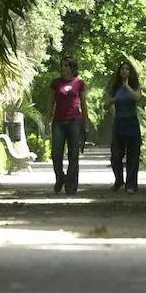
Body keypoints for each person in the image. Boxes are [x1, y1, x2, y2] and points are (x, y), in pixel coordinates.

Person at [46, 55, 90, 195]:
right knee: (56, 153)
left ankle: (71, 185)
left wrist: (86, 122)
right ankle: (60, 178)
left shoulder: (79, 83)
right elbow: (50, 103)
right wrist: (47, 121)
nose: (63, 68)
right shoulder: (56, 83)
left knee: (73, 155)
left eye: (66, 66)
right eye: (62, 65)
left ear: (72, 68)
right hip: (58, 122)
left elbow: (83, 103)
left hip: (74, 122)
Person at [106, 60, 142, 193]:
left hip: (132, 122)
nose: (124, 71)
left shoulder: (135, 85)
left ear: (130, 72)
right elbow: (105, 104)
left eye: (127, 69)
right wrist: (111, 101)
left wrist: (127, 87)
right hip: (119, 122)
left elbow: (137, 98)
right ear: (119, 72)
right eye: (122, 69)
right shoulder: (114, 87)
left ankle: (131, 185)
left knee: (133, 155)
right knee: (116, 155)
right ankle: (119, 179)